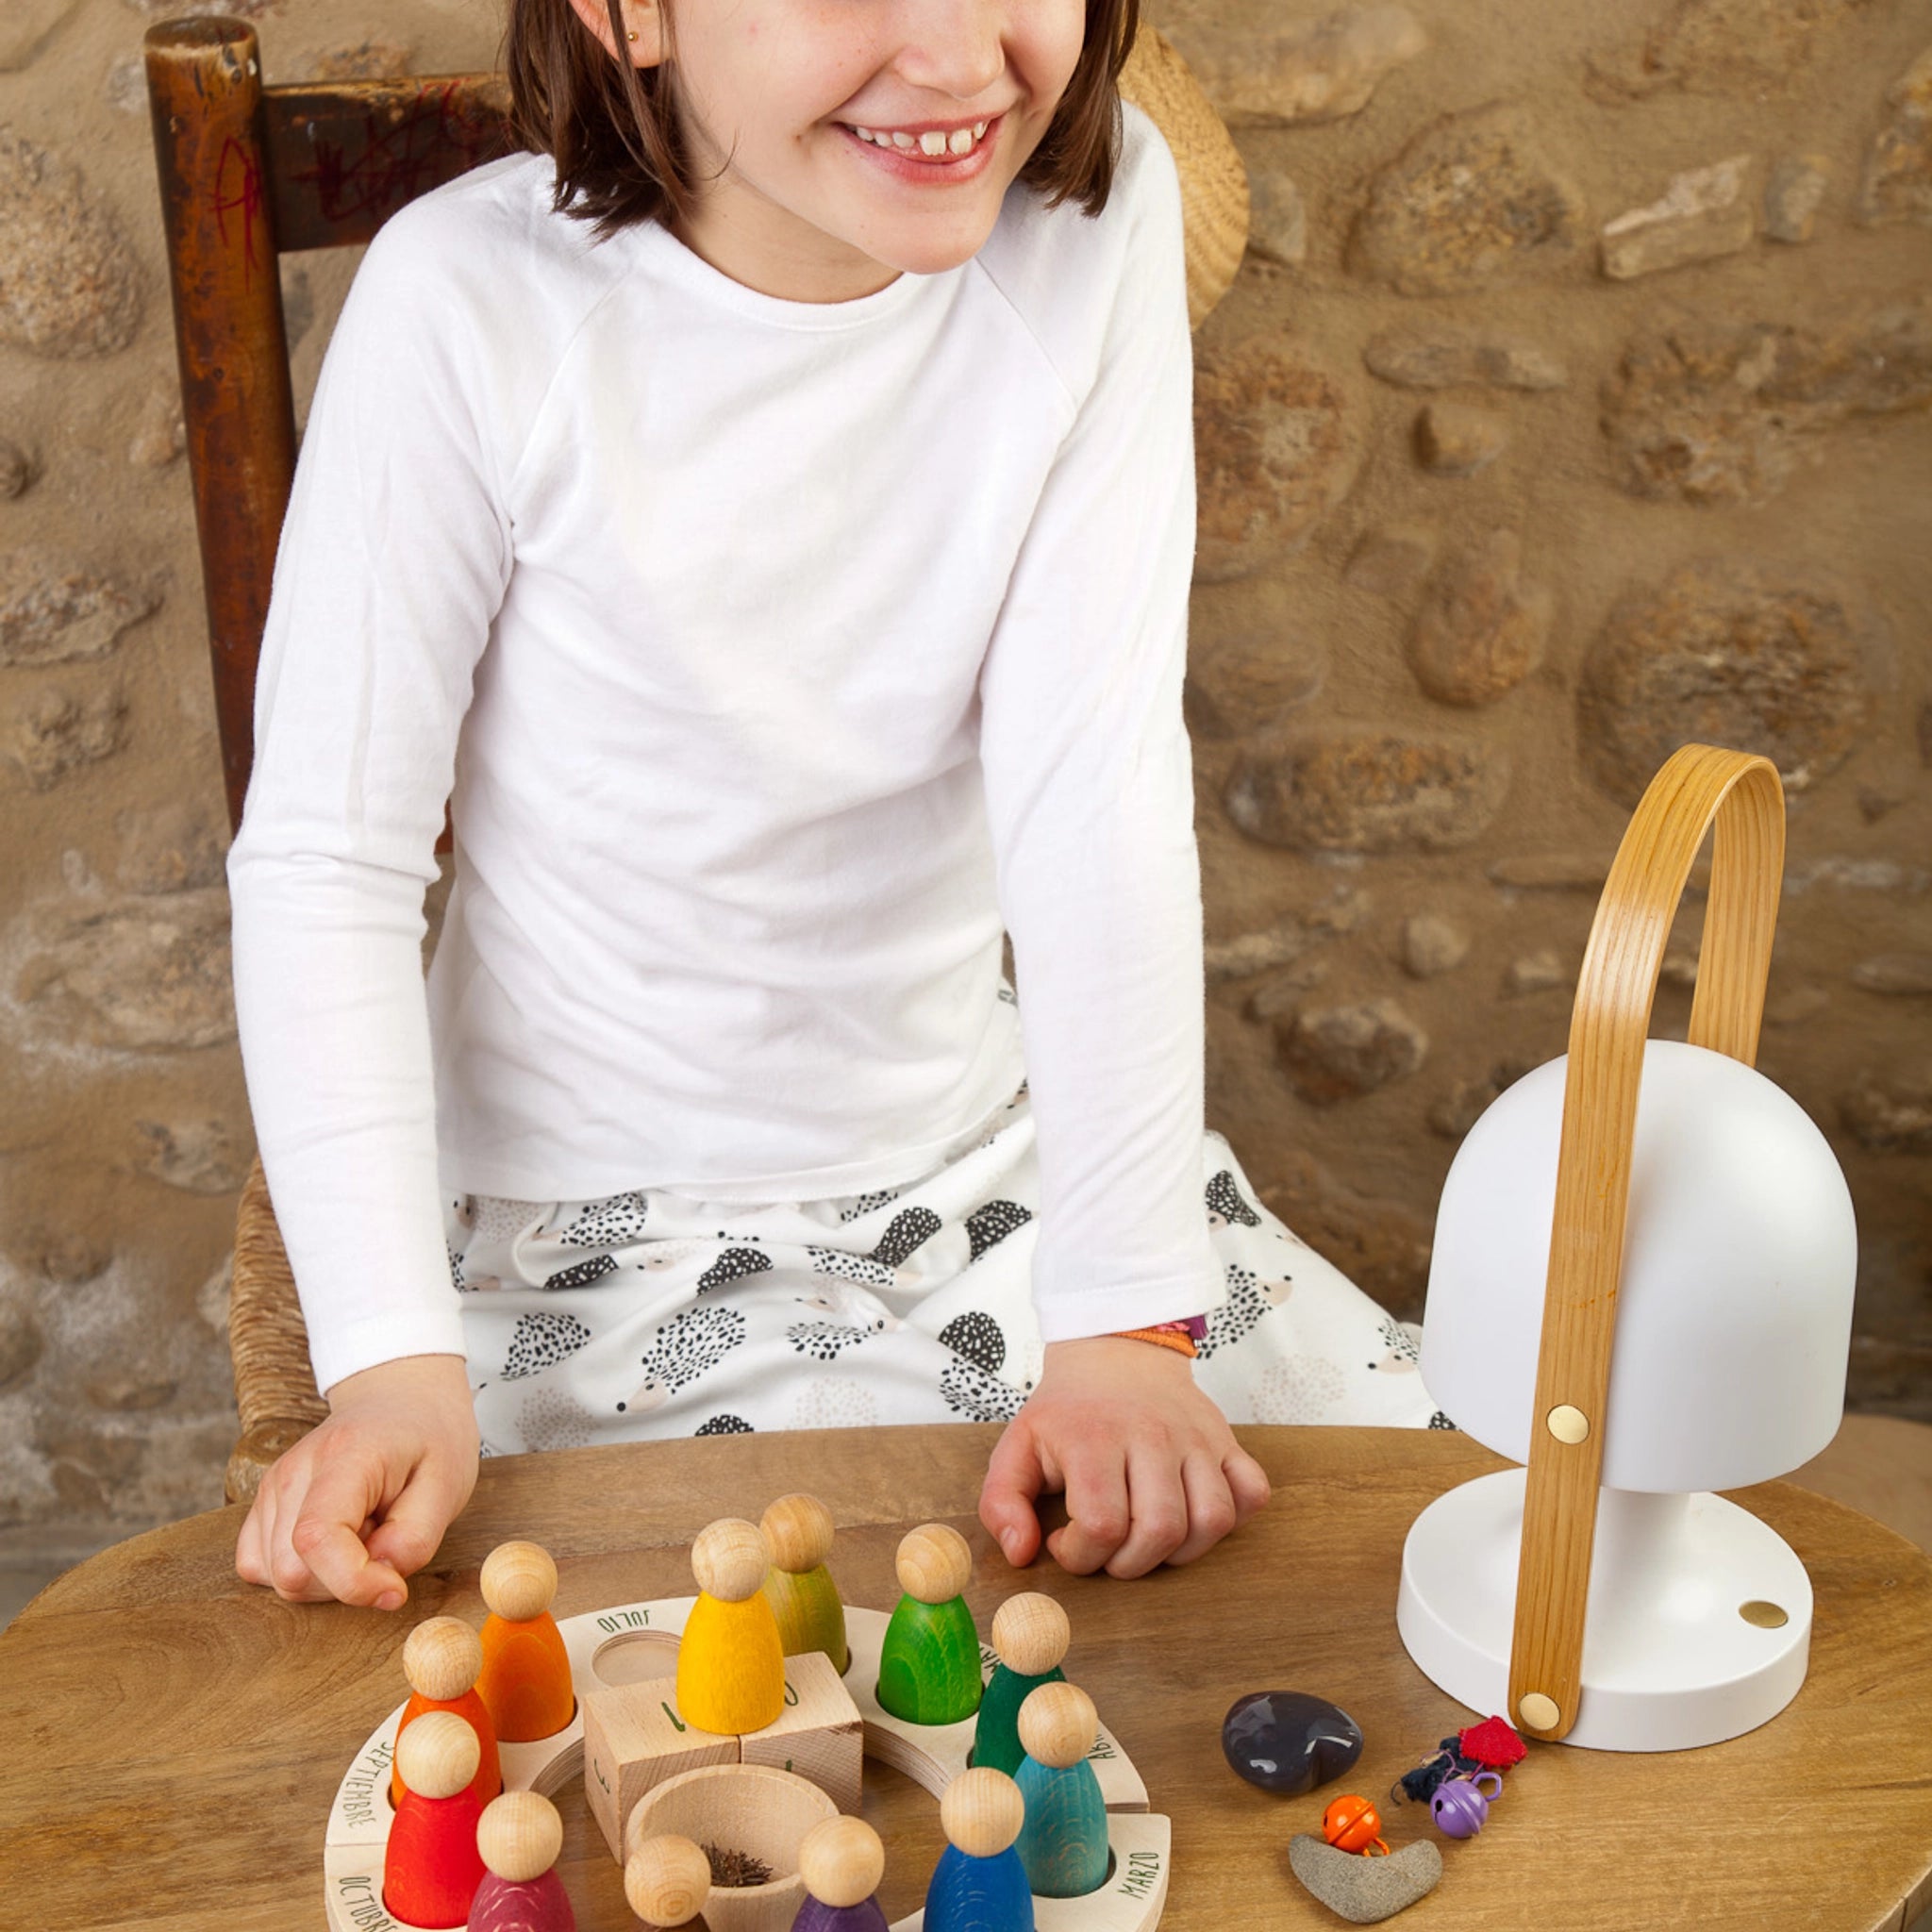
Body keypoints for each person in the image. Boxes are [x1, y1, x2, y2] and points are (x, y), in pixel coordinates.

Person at [229, 0, 1437, 1616]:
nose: (954, 62)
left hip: (981, 1171)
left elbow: (1096, 788)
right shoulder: (466, 303)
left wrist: (1127, 1327)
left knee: (1402, 1566)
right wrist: (388, 1367)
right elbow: (328, 858)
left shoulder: (1097, 222)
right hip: (580, 1240)